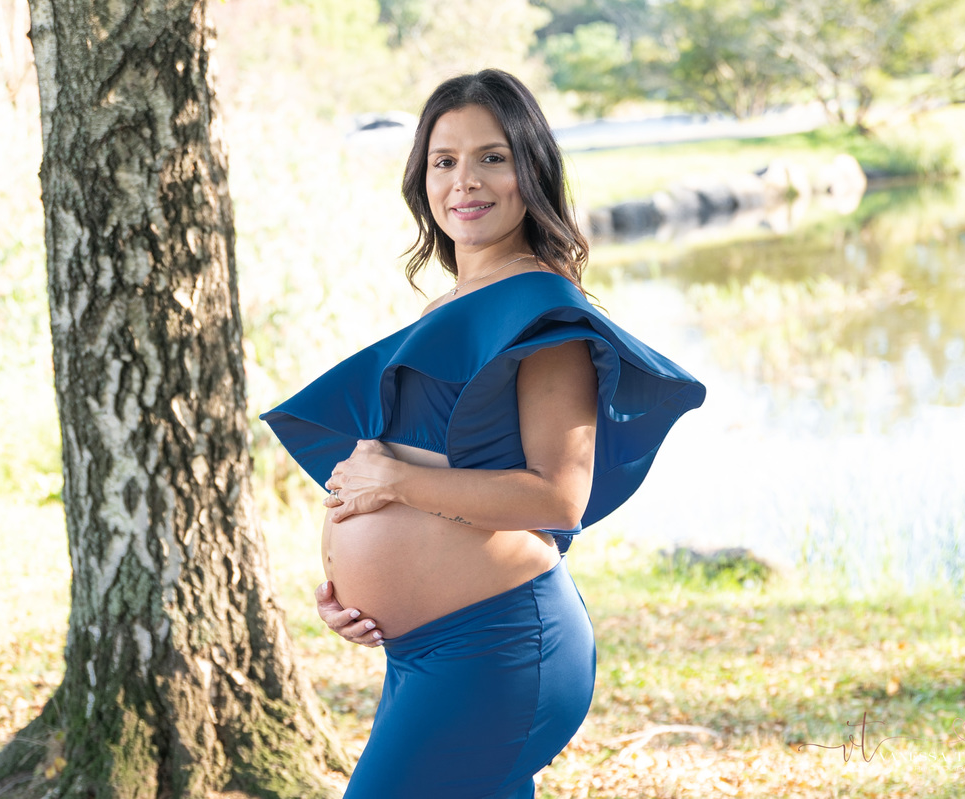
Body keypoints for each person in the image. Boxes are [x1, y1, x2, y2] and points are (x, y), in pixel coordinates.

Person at [260, 69, 705, 799]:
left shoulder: (544, 314)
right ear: (423, 179)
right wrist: (355, 585)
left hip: (497, 645)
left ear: (530, 168)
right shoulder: (459, 302)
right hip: (425, 652)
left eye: (492, 157)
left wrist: (392, 484)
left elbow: (559, 497)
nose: (464, 180)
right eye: (444, 161)